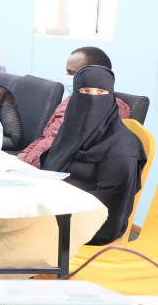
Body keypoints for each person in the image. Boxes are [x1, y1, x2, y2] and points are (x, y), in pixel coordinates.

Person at [42, 66, 146, 245]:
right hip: (52, 210)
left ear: (111, 97)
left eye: (101, 91)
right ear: (74, 97)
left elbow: (110, 206)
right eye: (84, 91)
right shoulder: (70, 132)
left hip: (91, 225)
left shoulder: (121, 148)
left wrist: (54, 206)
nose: (92, 98)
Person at [18, 47, 131, 167]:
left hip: (58, 172)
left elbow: (93, 154)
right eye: (67, 72)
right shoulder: (69, 100)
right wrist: (23, 155)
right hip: (31, 168)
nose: (67, 76)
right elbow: (46, 135)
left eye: (72, 73)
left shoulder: (113, 109)